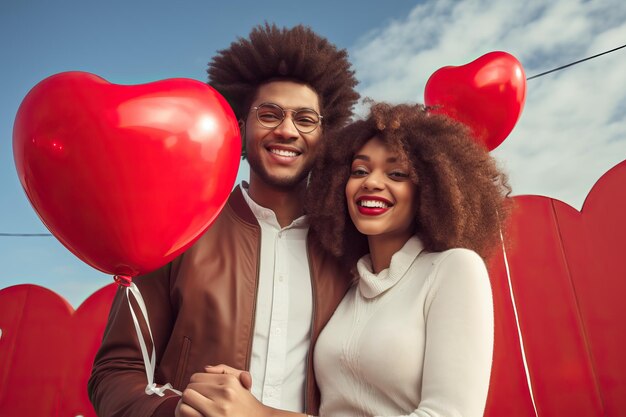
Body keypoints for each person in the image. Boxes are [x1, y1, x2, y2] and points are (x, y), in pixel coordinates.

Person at [88, 23, 359, 417]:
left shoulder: (347, 248)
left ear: (324, 135)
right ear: (239, 125)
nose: (286, 130)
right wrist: (173, 410)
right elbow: (114, 372)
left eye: (305, 119)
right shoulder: (177, 233)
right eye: (269, 114)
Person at [196, 102, 511, 417]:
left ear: (429, 189)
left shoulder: (454, 269)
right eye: (359, 170)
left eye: (396, 173)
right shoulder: (349, 290)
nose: (371, 182)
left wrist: (262, 414)